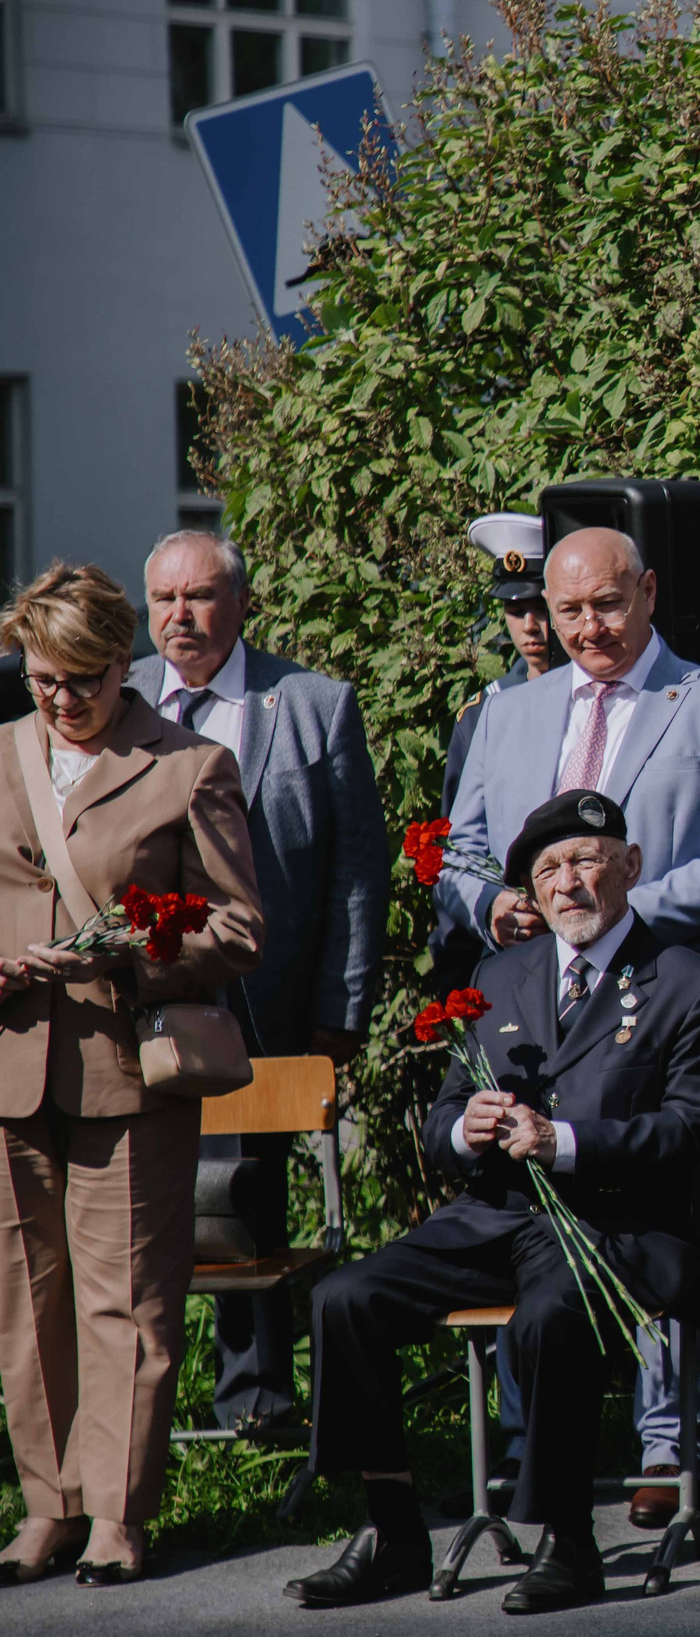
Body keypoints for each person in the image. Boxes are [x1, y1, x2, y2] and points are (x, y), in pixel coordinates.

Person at [286, 790, 700, 1614]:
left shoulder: (688, 982)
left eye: (587, 862)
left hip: (619, 1223)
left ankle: (569, 1541)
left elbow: (687, 1132)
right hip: (496, 1216)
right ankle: (391, 1529)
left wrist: (560, 1141)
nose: (568, 884)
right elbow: (440, 1124)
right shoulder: (501, 974)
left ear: (629, 868)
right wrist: (469, 1126)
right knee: (342, 1298)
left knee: (550, 1315)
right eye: (549, 871)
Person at [442, 525, 700, 1523]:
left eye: (609, 604)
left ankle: (667, 1442)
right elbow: (464, 849)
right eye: (569, 609)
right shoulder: (508, 712)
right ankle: (527, 1436)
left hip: (663, 1003)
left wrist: (610, 917)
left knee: (656, 1213)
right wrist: (490, 905)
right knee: (526, 1206)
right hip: (532, 1012)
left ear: (649, 593)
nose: (589, 627)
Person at [0, 562, 263, 1587]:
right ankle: (48, 1504)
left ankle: (116, 1510)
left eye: (85, 679)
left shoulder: (189, 763)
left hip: (126, 1063)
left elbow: (240, 924)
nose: (64, 700)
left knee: (128, 1302)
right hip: (11, 1065)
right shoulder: (4, 753)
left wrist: (133, 951)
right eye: (42, 679)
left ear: (125, 662)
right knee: (25, 1300)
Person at [129, 529, 388, 1437]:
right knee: (143, 1206)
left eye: (199, 597)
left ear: (240, 604)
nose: (181, 617)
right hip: (140, 1003)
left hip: (269, 1004)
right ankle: (140, 1417)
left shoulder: (310, 706)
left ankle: (259, 1406)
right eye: (164, 600)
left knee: (252, 1197)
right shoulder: (116, 704)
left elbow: (356, 868)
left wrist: (339, 1010)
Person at [431, 513, 555, 995]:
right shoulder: (484, 712)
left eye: (541, 606)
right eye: (514, 608)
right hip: (510, 955)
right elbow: (460, 851)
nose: (530, 626)